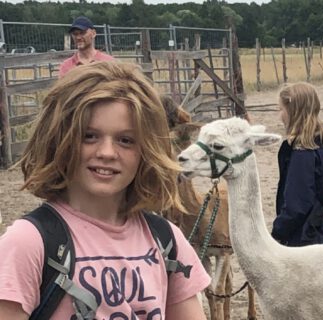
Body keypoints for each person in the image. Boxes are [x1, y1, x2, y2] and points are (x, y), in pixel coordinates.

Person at [0, 61, 210, 319]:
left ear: (147, 150)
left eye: (125, 140)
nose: (107, 153)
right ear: (58, 139)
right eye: (89, 136)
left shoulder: (167, 241)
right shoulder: (28, 244)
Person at [271, 82, 323, 246]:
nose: (279, 116)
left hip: (308, 236)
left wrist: (278, 232)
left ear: (292, 110)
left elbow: (297, 204)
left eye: (281, 109)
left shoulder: (303, 152)